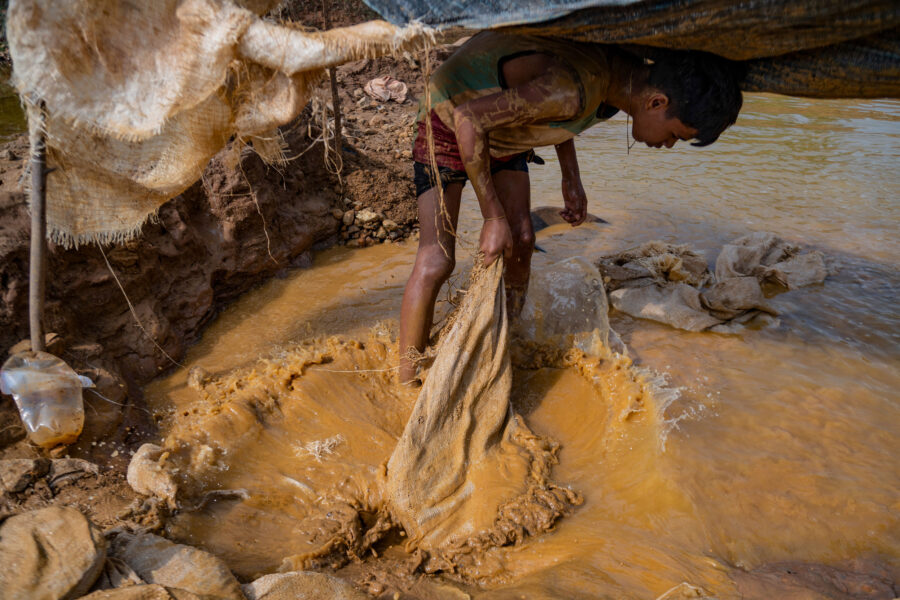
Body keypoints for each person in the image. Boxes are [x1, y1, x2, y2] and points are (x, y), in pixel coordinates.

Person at [398, 31, 744, 384]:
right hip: (447, 120)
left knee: (522, 240)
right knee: (437, 258)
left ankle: (504, 343)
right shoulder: (572, 90)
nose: (668, 145)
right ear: (656, 103)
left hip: (505, 130)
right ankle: (406, 379)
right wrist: (492, 216)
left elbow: (557, 112)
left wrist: (570, 176)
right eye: (675, 135)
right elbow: (469, 119)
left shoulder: (619, 79)